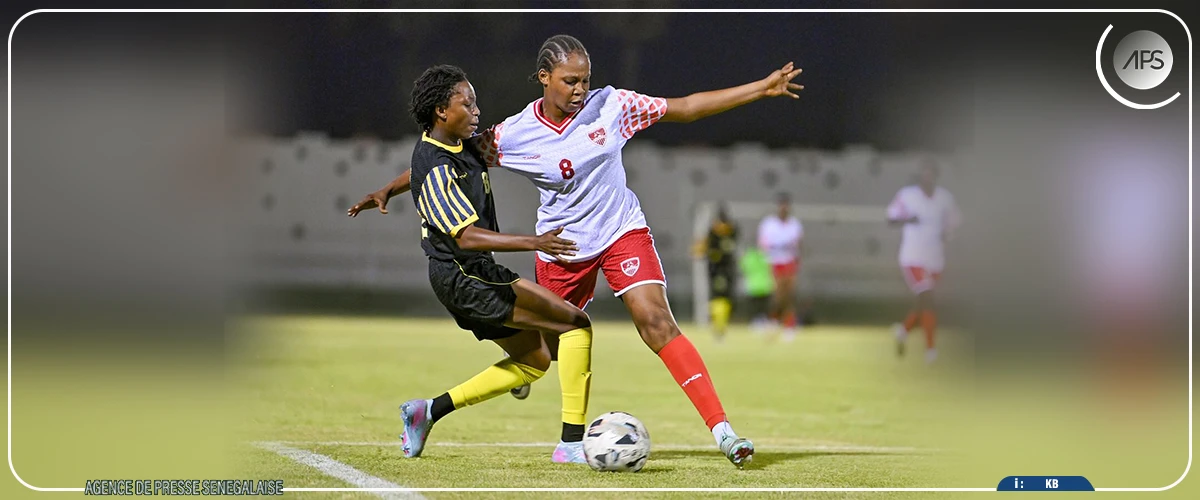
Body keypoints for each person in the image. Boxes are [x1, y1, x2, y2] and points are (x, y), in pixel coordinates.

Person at [468, 34, 803, 468]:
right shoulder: (512, 134)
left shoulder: (613, 105)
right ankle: (525, 358)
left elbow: (686, 108)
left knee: (656, 321)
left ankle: (724, 432)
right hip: (563, 245)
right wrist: (391, 188)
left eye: (585, 80)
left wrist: (760, 87)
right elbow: (447, 158)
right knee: (546, 351)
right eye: (570, 81)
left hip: (621, 230)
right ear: (544, 78)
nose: (579, 90)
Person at [346, 65, 594, 461]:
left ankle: (427, 411)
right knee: (576, 324)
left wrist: (387, 189)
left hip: (467, 274)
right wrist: (535, 241)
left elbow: (418, 172)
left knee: (535, 360)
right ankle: (571, 444)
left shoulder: (454, 145)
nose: (477, 110)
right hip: (465, 277)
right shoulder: (437, 166)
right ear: (442, 111)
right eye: (468, 103)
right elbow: (466, 236)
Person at [886, 160, 962, 364]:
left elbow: (954, 224)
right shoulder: (907, 195)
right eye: (924, 174)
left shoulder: (945, 199)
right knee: (928, 297)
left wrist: (947, 235)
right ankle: (931, 350)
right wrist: (907, 219)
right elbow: (891, 218)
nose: (927, 178)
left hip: (935, 259)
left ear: (935, 176)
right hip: (913, 257)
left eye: (931, 174)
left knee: (924, 302)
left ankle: (904, 330)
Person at [757, 192, 804, 341]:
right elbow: (763, 244)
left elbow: (798, 245)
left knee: (789, 295)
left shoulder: (794, 225)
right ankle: (773, 320)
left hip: (789, 262)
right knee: (778, 296)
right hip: (775, 262)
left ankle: (789, 324)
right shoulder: (769, 224)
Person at [696, 203, 739, 342]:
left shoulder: (730, 231)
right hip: (716, 269)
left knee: (725, 298)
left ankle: (720, 325)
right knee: (718, 297)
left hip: (727, 269)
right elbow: (704, 249)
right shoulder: (713, 233)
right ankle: (717, 326)